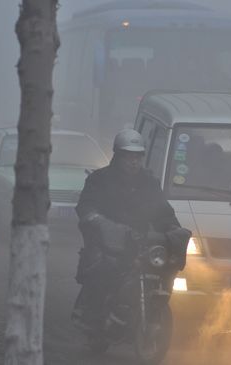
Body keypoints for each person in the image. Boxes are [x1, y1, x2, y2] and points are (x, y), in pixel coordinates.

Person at [71, 129, 183, 334]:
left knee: (164, 266)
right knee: (104, 268)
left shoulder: (149, 182)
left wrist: (174, 228)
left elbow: (162, 211)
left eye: (137, 156)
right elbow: (85, 207)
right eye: (128, 156)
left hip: (139, 240)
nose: (133, 161)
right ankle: (92, 315)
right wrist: (101, 223)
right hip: (107, 242)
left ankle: (140, 308)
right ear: (118, 155)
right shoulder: (100, 179)